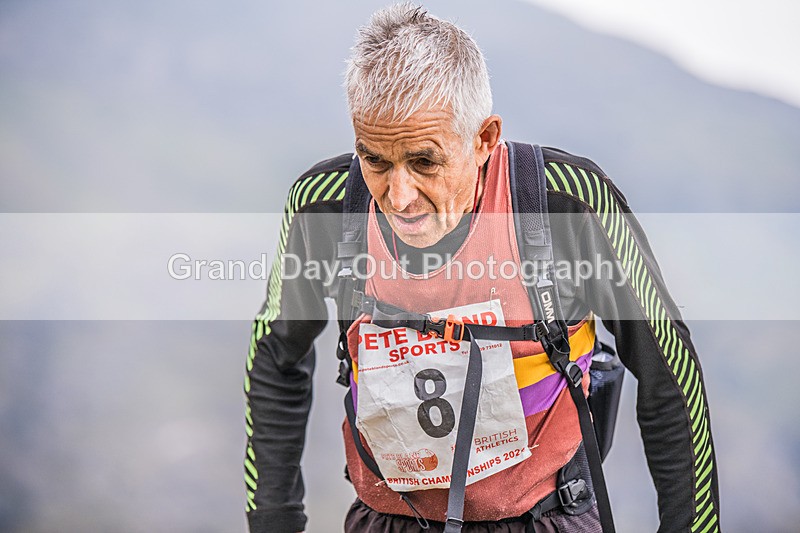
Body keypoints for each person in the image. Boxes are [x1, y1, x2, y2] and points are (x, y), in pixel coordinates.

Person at [243, 4, 720, 532]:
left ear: (484, 139)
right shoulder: (325, 207)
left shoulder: (565, 204)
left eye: (425, 161)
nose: (399, 197)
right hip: (385, 520)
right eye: (374, 160)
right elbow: (274, 356)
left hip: (545, 519)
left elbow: (668, 373)